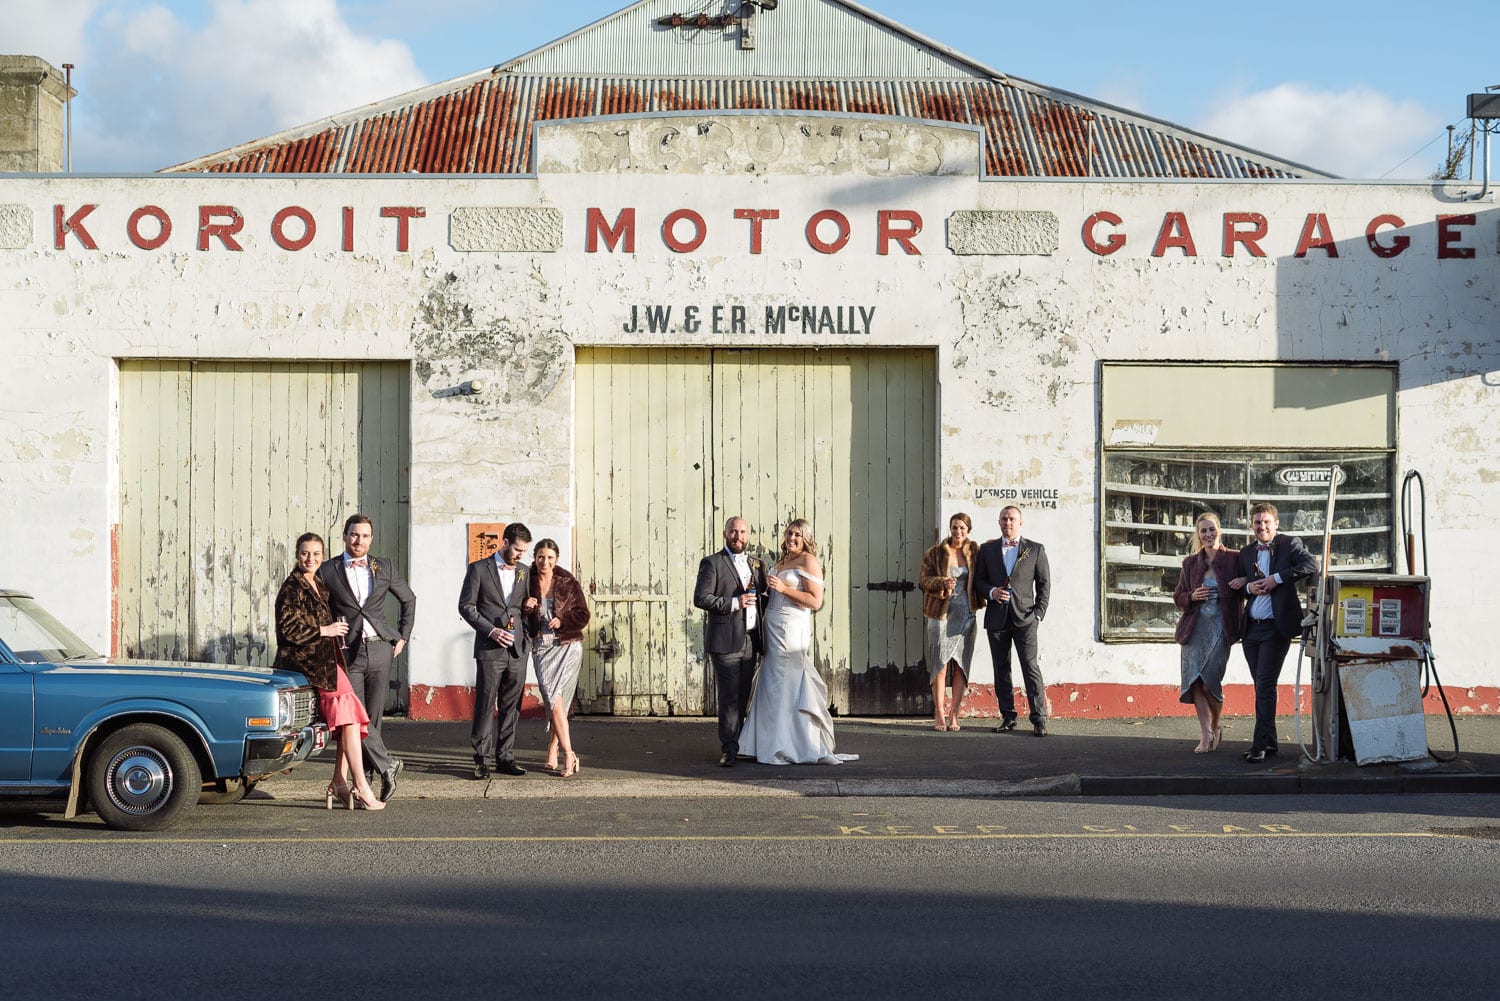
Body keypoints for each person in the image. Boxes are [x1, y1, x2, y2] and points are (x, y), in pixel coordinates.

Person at [273, 532, 384, 810]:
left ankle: (339, 782)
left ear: (322, 557)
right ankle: (360, 786)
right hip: (306, 663)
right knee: (349, 717)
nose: (310, 559)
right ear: (297, 555)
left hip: (329, 662)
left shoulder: (319, 584)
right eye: (305, 553)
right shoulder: (292, 587)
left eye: (316, 554)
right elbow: (287, 631)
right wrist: (325, 630)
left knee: (353, 720)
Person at [737, 519, 856, 765]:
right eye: (790, 532)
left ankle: (787, 745)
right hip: (772, 626)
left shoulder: (808, 560)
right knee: (770, 683)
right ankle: (762, 743)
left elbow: (815, 601)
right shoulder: (781, 561)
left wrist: (783, 587)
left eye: (798, 535)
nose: (792, 537)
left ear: (806, 539)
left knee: (786, 684)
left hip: (792, 628)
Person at [317, 513, 415, 802]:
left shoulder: (383, 566)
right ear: (345, 536)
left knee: (373, 720)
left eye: (365, 536)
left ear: (371, 539)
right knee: (355, 717)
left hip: (381, 648)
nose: (359, 540)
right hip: (349, 652)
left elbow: (408, 599)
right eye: (354, 534)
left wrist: (402, 636)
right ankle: (388, 764)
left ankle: (367, 780)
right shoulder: (328, 570)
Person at [1229, 502, 1319, 763]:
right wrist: (1250, 588)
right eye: (1257, 522)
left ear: (1276, 524)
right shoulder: (1247, 552)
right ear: (1252, 525)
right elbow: (1240, 586)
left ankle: (1258, 746)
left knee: (1266, 685)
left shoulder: (1290, 544)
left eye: (1266, 522)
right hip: (1251, 631)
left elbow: (1311, 565)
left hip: (1275, 629)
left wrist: (1276, 578)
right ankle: (1270, 743)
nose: (1262, 526)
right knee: (1262, 687)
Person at [460, 522, 534, 779]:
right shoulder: (478, 569)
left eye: (524, 551)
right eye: (516, 549)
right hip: (489, 648)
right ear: (504, 542)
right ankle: (481, 758)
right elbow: (466, 607)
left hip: (517, 649)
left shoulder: (525, 572)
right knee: (485, 703)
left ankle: (506, 757)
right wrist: (490, 630)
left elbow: (523, 607)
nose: (520, 555)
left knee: (512, 706)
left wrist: (529, 616)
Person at [693, 516, 767, 767]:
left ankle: (742, 743)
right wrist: (735, 603)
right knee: (729, 698)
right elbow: (701, 598)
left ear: (748, 535)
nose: (738, 537)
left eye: (743, 532)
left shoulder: (757, 564)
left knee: (744, 696)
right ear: (725, 534)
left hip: (750, 640)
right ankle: (729, 748)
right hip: (724, 641)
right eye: (733, 532)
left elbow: (764, 598)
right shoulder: (712, 563)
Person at [974, 505, 1052, 736]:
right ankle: (1008, 717)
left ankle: (1039, 719)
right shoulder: (987, 550)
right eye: (1004, 519)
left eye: (1012, 519)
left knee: (1030, 667)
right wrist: (991, 592)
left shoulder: (1035, 549)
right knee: (1001, 669)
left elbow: (1044, 584)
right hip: (997, 618)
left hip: (1025, 618)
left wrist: (1038, 613)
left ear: (1020, 523)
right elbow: (978, 581)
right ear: (999, 522)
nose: (1008, 522)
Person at [1172, 513, 1243, 754]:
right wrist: (1191, 596)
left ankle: (1217, 724)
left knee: (1210, 681)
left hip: (1222, 629)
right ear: (1198, 535)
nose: (1208, 534)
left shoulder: (1235, 558)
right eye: (1203, 531)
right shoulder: (1190, 563)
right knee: (1195, 682)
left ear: (1219, 530)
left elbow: (1253, 580)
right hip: (1194, 629)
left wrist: (1243, 579)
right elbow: (1178, 597)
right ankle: (1205, 734)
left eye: (1211, 529)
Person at [524, 539, 591, 777]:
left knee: (558, 701)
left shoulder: (567, 582)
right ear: (535, 557)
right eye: (541, 556)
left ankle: (561, 751)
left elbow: (583, 614)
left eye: (550, 557)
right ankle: (565, 751)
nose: (545, 561)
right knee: (552, 697)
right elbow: (513, 610)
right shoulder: (525, 579)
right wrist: (527, 607)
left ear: (556, 560)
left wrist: (563, 621)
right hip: (541, 647)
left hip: (567, 645)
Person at [918, 513, 984, 731]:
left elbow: (984, 578)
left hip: (966, 613)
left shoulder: (975, 553)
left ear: (968, 530)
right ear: (950, 528)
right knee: (940, 663)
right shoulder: (935, 553)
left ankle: (955, 713)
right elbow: (923, 581)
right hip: (940, 614)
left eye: (962, 528)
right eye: (955, 528)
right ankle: (939, 712)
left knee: (962, 665)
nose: (958, 532)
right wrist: (941, 582)